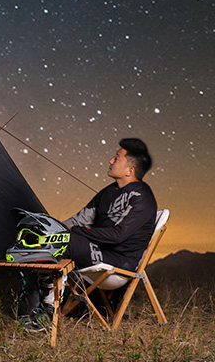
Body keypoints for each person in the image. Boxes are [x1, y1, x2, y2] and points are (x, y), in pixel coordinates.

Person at [18, 137, 157, 331]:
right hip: (97, 250)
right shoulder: (107, 192)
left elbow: (118, 235)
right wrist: (50, 229)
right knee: (40, 240)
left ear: (129, 170)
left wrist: (75, 233)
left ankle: (48, 312)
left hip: (119, 261)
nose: (110, 160)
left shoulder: (142, 197)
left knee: (66, 242)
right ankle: (30, 305)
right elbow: (79, 220)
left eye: (117, 158)